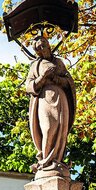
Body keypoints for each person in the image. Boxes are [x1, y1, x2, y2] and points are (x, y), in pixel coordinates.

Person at [26, 35, 76, 174]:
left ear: (49, 45)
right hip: (44, 98)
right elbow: (29, 86)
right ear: (38, 51)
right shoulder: (35, 66)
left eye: (45, 44)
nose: (44, 48)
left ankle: (57, 160)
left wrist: (55, 78)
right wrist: (43, 77)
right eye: (40, 47)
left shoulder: (59, 62)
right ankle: (46, 161)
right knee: (48, 128)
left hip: (61, 98)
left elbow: (69, 82)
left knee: (61, 128)